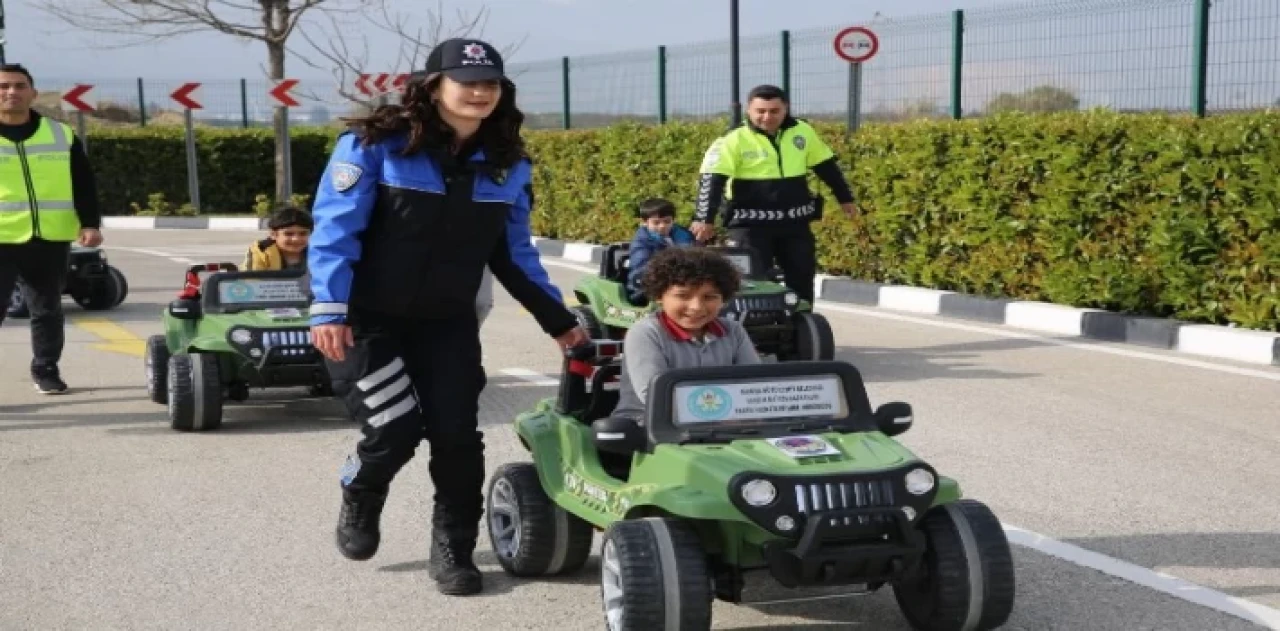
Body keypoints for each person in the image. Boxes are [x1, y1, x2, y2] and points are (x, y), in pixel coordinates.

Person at [307, 37, 588, 596]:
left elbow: (514, 255)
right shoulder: (374, 147)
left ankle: (454, 551)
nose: (480, 92)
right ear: (434, 86)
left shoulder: (508, 165)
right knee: (394, 428)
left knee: (458, 437)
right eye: (467, 81)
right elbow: (336, 234)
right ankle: (360, 495)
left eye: (490, 84)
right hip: (367, 319)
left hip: (446, 322)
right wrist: (330, 307)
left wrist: (560, 322)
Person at [690, 84, 858, 305]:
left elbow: (826, 166)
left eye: (774, 111)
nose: (767, 117)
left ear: (785, 109)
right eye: (760, 111)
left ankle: (802, 329)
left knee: (802, 278)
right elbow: (712, 180)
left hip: (795, 223)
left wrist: (845, 198)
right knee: (750, 282)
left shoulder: (802, 132)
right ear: (749, 110)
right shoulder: (732, 139)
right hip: (750, 226)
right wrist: (704, 218)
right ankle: (749, 330)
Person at [0, 63, 103, 394]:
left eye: (18, 85)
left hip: (49, 237)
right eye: (3, 86)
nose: (11, 92)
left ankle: (45, 368)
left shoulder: (61, 134)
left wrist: (90, 223)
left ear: (33, 92)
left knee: (47, 310)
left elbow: (83, 182)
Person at [612, 247, 761, 423]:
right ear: (660, 296)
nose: (696, 307)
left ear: (723, 299)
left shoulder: (733, 331)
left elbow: (754, 386)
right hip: (649, 426)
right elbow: (655, 397)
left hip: (724, 424)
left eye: (709, 297)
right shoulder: (645, 333)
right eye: (683, 296)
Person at [625, 197, 696, 304]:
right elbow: (641, 265)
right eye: (656, 223)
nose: (662, 226)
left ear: (673, 220)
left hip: (682, 279)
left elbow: (697, 256)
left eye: (667, 221)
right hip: (646, 282)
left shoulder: (684, 236)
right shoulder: (642, 242)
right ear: (645, 223)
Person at [242, 206, 312, 271]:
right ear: (273, 234)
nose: (296, 239)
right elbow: (252, 281)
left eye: (303, 234)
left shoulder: (318, 252)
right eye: (289, 234)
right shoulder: (261, 252)